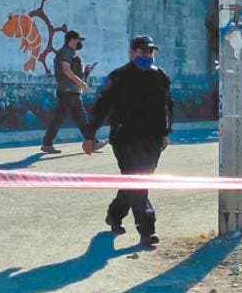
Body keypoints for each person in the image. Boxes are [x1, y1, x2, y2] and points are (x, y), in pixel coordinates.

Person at [83, 35, 173, 248]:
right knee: (138, 182)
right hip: (125, 139)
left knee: (137, 181)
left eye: (150, 51)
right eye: (142, 51)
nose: (147, 55)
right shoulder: (118, 77)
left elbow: (167, 106)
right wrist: (89, 136)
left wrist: (165, 133)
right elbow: (100, 108)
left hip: (152, 139)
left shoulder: (160, 76)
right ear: (131, 53)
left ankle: (115, 214)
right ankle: (147, 230)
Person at [41, 30, 106, 154]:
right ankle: (93, 142)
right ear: (71, 40)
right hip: (68, 91)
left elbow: (72, 70)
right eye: (78, 40)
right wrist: (80, 83)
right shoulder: (65, 52)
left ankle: (47, 143)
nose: (80, 42)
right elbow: (66, 69)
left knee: (67, 119)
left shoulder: (70, 53)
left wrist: (85, 72)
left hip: (71, 91)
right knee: (80, 119)